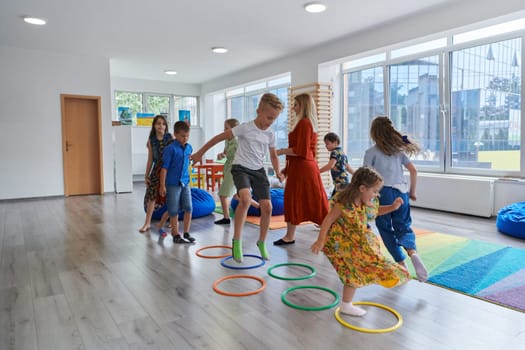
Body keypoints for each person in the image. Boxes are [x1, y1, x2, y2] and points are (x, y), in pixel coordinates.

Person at [192, 93, 284, 262]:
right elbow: (217, 138)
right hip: (240, 168)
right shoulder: (245, 128)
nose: (270, 122)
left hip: (259, 171)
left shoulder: (270, 134)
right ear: (258, 111)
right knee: (246, 199)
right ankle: (237, 242)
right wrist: (199, 153)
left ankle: (262, 242)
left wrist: (278, 171)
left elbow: (273, 155)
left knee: (268, 207)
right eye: (269, 117)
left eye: (274, 119)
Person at [311, 166, 411, 316]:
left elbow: (375, 212)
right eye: (375, 191)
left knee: (364, 265)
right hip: (341, 244)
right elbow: (328, 220)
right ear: (363, 188)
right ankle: (346, 305)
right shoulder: (343, 204)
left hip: (358, 242)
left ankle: (353, 298)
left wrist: (392, 207)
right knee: (353, 272)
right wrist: (320, 241)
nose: (376, 195)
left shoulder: (366, 202)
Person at [363, 116, 428, 282]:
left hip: (382, 193)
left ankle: (401, 264)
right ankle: (413, 253)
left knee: (385, 229)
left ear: (374, 133)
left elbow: (366, 178)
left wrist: (366, 200)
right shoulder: (398, 151)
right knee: (404, 227)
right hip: (402, 192)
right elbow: (413, 170)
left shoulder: (371, 153)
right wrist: (412, 192)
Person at [274, 93, 329, 246]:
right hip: (301, 168)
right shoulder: (304, 123)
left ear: (303, 106)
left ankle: (330, 233)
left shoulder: (305, 123)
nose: (293, 108)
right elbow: (301, 153)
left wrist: (281, 151)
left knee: (312, 201)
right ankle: (289, 236)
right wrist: (286, 171)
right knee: (295, 200)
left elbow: (301, 151)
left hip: (304, 170)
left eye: (296, 104)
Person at [214, 118, 259, 225]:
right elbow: (225, 153)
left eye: (227, 128)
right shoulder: (227, 140)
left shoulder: (237, 142)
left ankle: (226, 218)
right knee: (237, 196)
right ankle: (259, 206)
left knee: (223, 195)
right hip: (227, 168)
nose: (225, 130)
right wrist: (222, 155)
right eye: (224, 128)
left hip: (233, 171)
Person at [159, 121, 195, 244]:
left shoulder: (189, 148)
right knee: (173, 210)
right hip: (173, 183)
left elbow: (188, 162)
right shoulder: (170, 149)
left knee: (189, 207)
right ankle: (175, 234)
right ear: (175, 134)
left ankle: (186, 232)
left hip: (185, 182)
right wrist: (162, 185)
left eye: (187, 136)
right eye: (182, 136)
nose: (185, 138)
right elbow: (164, 168)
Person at [139, 115, 172, 233]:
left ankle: (173, 221)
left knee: (171, 196)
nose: (161, 126)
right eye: (158, 123)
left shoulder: (169, 138)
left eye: (163, 124)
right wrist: (146, 175)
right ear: (154, 125)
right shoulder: (151, 141)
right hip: (156, 170)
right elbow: (150, 159)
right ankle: (147, 223)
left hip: (169, 170)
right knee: (152, 196)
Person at [319, 132, 355, 197]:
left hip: (340, 183)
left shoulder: (334, 152)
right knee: (339, 200)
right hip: (345, 181)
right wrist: (355, 174)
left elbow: (330, 165)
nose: (326, 146)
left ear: (335, 142)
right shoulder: (342, 152)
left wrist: (318, 171)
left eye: (327, 144)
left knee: (334, 201)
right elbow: (347, 167)